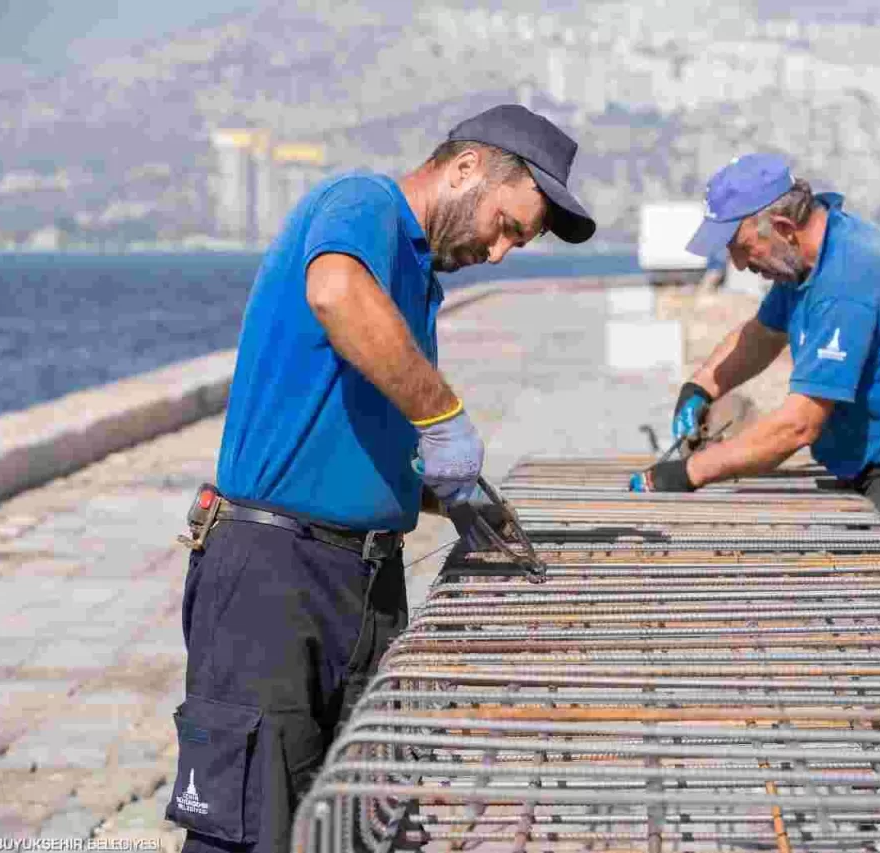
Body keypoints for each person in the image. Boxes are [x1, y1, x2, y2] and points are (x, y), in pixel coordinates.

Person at [168, 104, 595, 852]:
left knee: (358, 824)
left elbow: (353, 424)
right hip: (276, 580)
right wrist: (443, 415)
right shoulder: (364, 205)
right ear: (465, 169)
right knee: (246, 827)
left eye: (517, 243)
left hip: (364, 581)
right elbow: (334, 293)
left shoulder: (419, 281)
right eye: (505, 225)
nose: (500, 253)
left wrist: (446, 495)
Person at [630, 153, 880, 601]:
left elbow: (799, 424)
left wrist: (690, 472)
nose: (736, 264)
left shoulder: (846, 282)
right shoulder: (809, 261)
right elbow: (761, 335)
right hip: (872, 475)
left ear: (781, 228)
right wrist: (701, 386)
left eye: (739, 246)